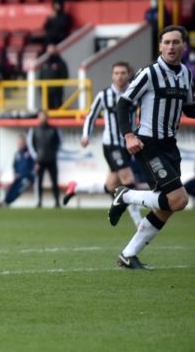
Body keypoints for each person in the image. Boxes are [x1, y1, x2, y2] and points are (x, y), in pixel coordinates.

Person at [108, 25, 195, 269]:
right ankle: (126, 195)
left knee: (166, 207)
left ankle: (128, 255)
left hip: (170, 146)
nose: (171, 46)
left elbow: (189, 108)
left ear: (183, 46)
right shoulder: (150, 73)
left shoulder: (186, 74)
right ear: (159, 46)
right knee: (179, 200)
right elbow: (123, 105)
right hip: (148, 145)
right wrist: (128, 136)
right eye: (166, 42)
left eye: (176, 42)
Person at [63, 62, 142, 228]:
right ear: (112, 76)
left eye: (123, 73)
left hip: (128, 145)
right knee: (128, 180)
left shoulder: (135, 94)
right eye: (116, 73)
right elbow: (91, 116)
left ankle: (76, 187)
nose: (119, 76)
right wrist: (86, 135)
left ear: (128, 75)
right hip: (111, 144)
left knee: (111, 186)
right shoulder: (104, 95)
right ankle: (139, 223)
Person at [27, 111, 62, 208]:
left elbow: (59, 143)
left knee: (54, 182)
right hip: (40, 161)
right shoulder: (34, 130)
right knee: (39, 182)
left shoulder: (54, 129)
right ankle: (39, 202)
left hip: (51, 160)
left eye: (44, 116)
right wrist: (36, 158)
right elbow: (31, 145)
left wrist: (54, 154)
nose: (42, 118)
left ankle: (57, 202)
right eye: (40, 116)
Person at [4, 135, 35, 206]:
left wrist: (30, 174)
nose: (19, 145)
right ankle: (5, 201)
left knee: (19, 189)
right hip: (19, 177)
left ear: (24, 142)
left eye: (21, 143)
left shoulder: (30, 153)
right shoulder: (17, 153)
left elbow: (34, 166)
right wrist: (15, 173)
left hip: (28, 178)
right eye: (18, 143)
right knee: (12, 188)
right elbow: (14, 165)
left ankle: (7, 202)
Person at [39, 44, 69, 110]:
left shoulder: (61, 63)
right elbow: (40, 77)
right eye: (49, 51)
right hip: (46, 91)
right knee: (47, 108)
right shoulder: (45, 64)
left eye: (52, 50)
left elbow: (65, 76)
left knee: (57, 108)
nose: (51, 52)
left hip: (57, 92)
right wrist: (40, 89)